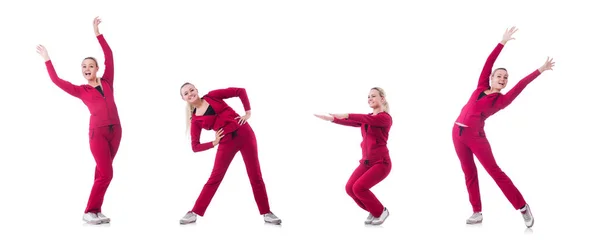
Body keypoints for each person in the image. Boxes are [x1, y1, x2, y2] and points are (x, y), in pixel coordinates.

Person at [453, 26, 555, 228]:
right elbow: (488, 63)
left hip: (476, 137)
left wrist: (540, 70)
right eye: (499, 76)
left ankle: (523, 206)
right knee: (468, 172)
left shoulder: (501, 100)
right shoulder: (481, 86)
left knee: (494, 172)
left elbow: (521, 85)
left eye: (505, 78)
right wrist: (503, 42)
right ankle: (476, 212)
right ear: (491, 78)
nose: (502, 79)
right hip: (457, 133)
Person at [36, 17, 121, 225]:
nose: (86, 69)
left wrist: (98, 34)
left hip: (116, 131)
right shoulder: (81, 91)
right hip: (97, 134)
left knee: (101, 172)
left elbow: (109, 55)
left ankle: (96, 210)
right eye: (83, 67)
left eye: (90, 65)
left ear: (97, 69)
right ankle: (89, 210)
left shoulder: (108, 80)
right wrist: (47, 59)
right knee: (107, 173)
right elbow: (56, 81)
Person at [178, 83, 282, 225]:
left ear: (197, 90)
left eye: (191, 90)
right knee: (215, 177)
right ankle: (194, 212)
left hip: (245, 134)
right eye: (186, 93)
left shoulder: (213, 95)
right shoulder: (195, 120)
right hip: (226, 142)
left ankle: (267, 213)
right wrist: (214, 143)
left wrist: (248, 112)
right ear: (184, 98)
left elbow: (240, 91)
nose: (190, 93)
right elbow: (195, 147)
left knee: (255, 175)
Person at [314, 87, 393, 226]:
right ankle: (373, 210)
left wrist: (346, 114)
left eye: (373, 96)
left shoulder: (385, 118)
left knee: (359, 188)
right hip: (366, 162)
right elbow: (354, 122)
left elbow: (364, 118)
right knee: (350, 188)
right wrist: (332, 119)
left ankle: (381, 211)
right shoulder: (369, 118)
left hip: (381, 163)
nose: (370, 98)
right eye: (368, 96)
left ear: (382, 99)